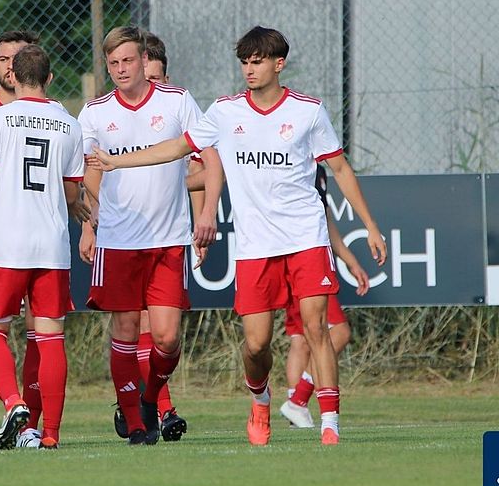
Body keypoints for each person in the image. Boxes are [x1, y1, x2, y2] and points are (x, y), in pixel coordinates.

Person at [88, 26, 386, 446]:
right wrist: (123, 163)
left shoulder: (308, 111)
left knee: (318, 328)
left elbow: (339, 170)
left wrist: (370, 227)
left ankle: (330, 425)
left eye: (257, 61)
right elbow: (178, 148)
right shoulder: (226, 113)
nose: (249, 69)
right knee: (256, 343)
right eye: (244, 62)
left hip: (305, 236)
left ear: (278, 64)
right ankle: (260, 399)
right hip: (256, 246)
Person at [77, 26, 220, 446]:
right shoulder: (95, 112)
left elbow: (207, 155)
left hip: (168, 239)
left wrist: (207, 211)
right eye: (113, 63)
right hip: (118, 241)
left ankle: (150, 397)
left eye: (128, 61)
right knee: (124, 330)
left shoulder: (176, 101)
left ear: (143, 60)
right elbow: (90, 170)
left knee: (167, 336)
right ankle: (137, 426)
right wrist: (89, 222)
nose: (121, 70)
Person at [0, 44, 86, 450]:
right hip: (50, 245)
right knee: (50, 338)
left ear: (14, 77)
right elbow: (70, 190)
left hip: (7, 243)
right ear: (49, 78)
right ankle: (49, 434)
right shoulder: (69, 123)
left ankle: (12, 403)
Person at [279, 164, 370, 429]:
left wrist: (351, 262)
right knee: (336, 332)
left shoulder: (315, 167)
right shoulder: (286, 158)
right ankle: (298, 400)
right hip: (299, 258)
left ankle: (297, 406)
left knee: (302, 338)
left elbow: (324, 219)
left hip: (301, 258)